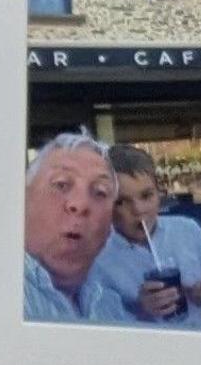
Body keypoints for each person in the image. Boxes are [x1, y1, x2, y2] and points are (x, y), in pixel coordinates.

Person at [90, 144, 201, 330]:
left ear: (159, 192)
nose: (138, 210)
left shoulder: (186, 229)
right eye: (121, 202)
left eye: (146, 196)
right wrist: (140, 310)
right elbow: (101, 327)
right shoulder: (97, 261)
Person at [20, 132, 137, 323]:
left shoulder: (110, 306)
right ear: (23, 201)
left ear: (109, 228)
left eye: (100, 192)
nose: (81, 204)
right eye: (61, 185)